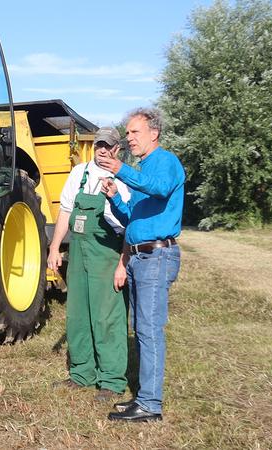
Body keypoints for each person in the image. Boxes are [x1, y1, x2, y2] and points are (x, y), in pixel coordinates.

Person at [95, 107, 185, 423]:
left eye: (134, 132)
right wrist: (114, 198)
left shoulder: (166, 163)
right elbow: (131, 218)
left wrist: (120, 169)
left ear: (153, 132)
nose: (129, 137)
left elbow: (159, 188)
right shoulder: (143, 169)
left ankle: (150, 404)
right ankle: (144, 398)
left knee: (148, 330)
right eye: (128, 133)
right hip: (139, 257)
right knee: (142, 328)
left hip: (156, 257)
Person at [48, 127, 131, 402]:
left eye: (108, 146)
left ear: (117, 149)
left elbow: (130, 226)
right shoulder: (80, 173)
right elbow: (66, 211)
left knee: (107, 318)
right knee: (78, 315)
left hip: (106, 255)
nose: (102, 151)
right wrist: (55, 246)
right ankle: (82, 374)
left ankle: (111, 380)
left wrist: (123, 263)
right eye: (99, 146)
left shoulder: (124, 178)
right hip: (79, 254)